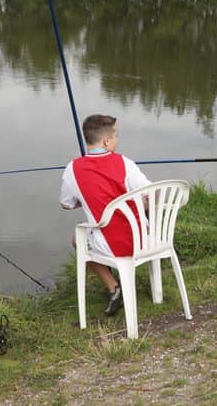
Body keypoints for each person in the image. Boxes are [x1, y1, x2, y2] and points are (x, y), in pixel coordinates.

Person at [60, 114, 154, 316]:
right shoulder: (125, 163)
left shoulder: (72, 169)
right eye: (116, 136)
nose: (117, 140)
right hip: (144, 240)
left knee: (78, 240)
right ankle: (117, 286)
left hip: (110, 246)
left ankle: (113, 287)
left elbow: (66, 204)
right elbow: (150, 193)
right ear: (106, 141)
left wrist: (86, 198)